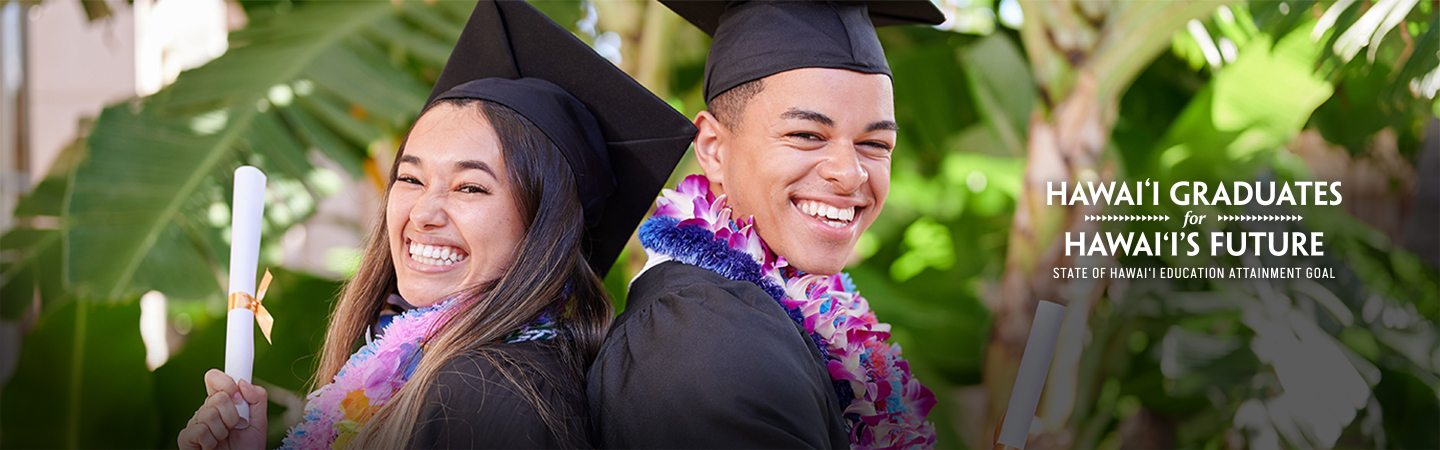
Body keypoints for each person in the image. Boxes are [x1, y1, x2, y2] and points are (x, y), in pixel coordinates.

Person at [176, 1, 695, 449]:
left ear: (545, 227)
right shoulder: (436, 371)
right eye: (410, 178)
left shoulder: (482, 395)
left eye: (470, 187)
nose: (424, 213)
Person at [587, 1, 945, 449]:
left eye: (875, 144)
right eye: (807, 135)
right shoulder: (698, 340)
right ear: (715, 148)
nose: (850, 173)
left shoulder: (781, 313)